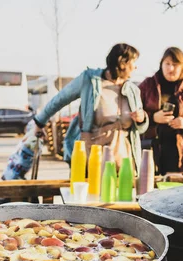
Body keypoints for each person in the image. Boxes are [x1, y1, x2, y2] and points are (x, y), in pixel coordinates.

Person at [33, 43, 148, 171]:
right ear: (122, 63)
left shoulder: (133, 90)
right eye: (133, 62)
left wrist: (142, 119)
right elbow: (60, 99)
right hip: (92, 157)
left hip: (122, 161)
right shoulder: (89, 80)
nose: (136, 67)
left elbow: (140, 129)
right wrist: (39, 122)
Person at [138, 47, 183, 174]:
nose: (170, 68)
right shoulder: (147, 85)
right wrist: (153, 117)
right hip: (150, 149)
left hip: (179, 153)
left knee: (177, 190)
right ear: (161, 65)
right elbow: (134, 114)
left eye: (175, 65)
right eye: (167, 64)